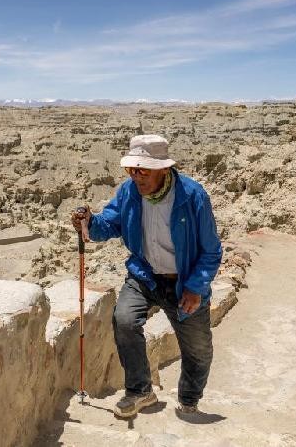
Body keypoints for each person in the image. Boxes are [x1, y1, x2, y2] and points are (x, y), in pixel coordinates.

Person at [71, 134, 222, 419]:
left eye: (142, 170)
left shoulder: (192, 196)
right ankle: (140, 391)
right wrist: (89, 222)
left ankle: (189, 399)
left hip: (184, 281)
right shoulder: (129, 192)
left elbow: (211, 251)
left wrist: (195, 287)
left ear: (163, 169)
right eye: (132, 169)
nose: (136, 176)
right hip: (145, 275)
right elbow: (109, 225)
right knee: (124, 320)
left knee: (198, 349)